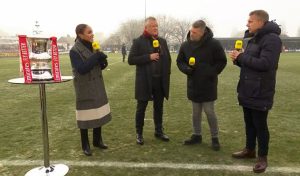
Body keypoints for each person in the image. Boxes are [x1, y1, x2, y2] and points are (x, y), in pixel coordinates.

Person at [229, 10, 282, 173]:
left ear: (261, 22)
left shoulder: (272, 39)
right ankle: (249, 150)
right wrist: (238, 59)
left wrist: (242, 57)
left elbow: (266, 64)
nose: (247, 23)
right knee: (249, 123)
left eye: (250, 21)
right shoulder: (254, 39)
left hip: (260, 90)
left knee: (260, 125)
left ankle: (262, 157)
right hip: (248, 89)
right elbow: (251, 64)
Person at [176, 20, 227, 151]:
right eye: (191, 31)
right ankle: (197, 135)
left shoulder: (214, 44)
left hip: (208, 84)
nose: (191, 34)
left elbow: (222, 61)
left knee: (209, 112)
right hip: (193, 84)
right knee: (195, 113)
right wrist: (186, 69)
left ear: (203, 32)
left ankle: (215, 138)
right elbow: (180, 61)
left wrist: (211, 72)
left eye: (195, 32)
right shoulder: (185, 45)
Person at [69, 24, 112, 156]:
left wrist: (103, 62)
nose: (92, 34)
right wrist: (96, 56)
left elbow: (96, 66)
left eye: (92, 32)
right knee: (85, 117)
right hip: (85, 87)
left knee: (98, 112)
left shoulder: (93, 46)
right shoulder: (74, 50)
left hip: (97, 85)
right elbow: (81, 69)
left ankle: (97, 140)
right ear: (80, 34)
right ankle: (85, 144)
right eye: (89, 32)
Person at [128, 17, 172, 145]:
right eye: (152, 26)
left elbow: (168, 59)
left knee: (159, 107)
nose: (155, 28)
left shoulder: (162, 41)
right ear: (146, 28)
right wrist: (149, 57)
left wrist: (166, 73)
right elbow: (131, 60)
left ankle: (159, 131)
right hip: (144, 81)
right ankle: (139, 133)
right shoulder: (138, 41)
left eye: (156, 26)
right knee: (141, 108)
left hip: (159, 81)